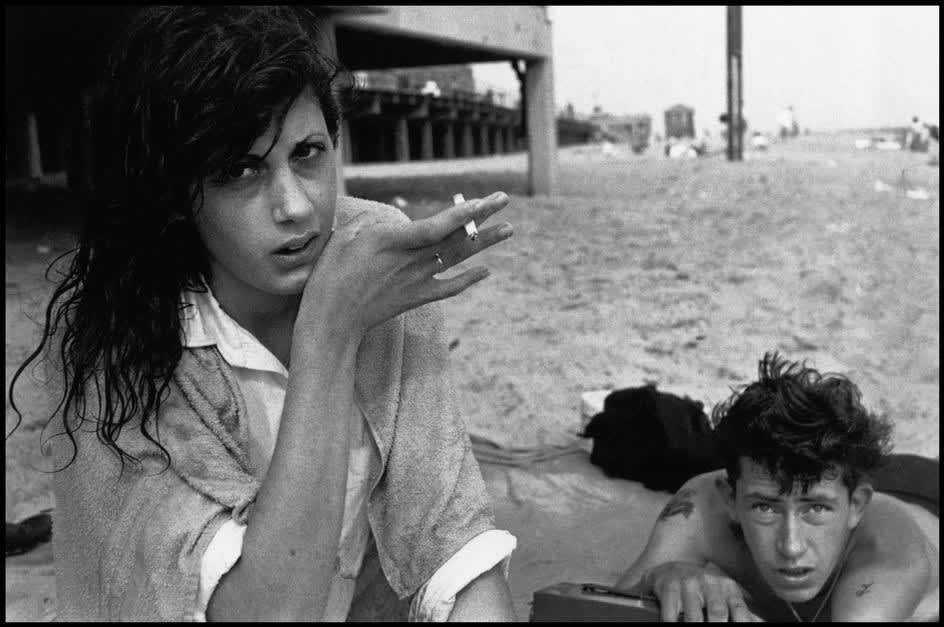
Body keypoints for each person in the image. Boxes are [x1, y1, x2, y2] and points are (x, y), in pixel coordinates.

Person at [7, 6, 518, 622]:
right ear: (174, 194)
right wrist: (330, 333)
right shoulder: (115, 342)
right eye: (239, 170)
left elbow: (447, 532)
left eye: (307, 153)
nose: (296, 206)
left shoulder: (376, 254)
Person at [615, 352, 939, 622]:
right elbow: (602, 608)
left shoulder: (887, 565)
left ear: (856, 506)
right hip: (833, 476)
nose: (791, 547)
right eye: (764, 507)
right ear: (731, 498)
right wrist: (660, 577)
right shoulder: (705, 502)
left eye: (815, 510)